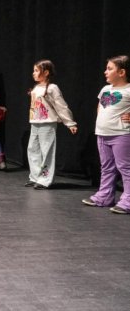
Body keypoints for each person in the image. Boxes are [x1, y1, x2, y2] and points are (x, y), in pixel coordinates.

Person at [82, 55, 130, 213]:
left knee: (125, 168)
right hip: (103, 134)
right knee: (107, 167)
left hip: (122, 134)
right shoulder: (105, 89)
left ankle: (128, 201)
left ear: (121, 72)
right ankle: (104, 196)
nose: (105, 72)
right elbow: (100, 108)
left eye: (110, 69)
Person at [27, 60, 78, 189]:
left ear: (46, 72)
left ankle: (44, 179)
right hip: (35, 123)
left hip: (47, 123)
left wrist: (70, 123)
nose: (33, 73)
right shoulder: (36, 87)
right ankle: (35, 177)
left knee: (47, 151)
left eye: (36, 70)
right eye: (34, 70)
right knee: (33, 150)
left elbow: (61, 106)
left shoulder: (52, 88)